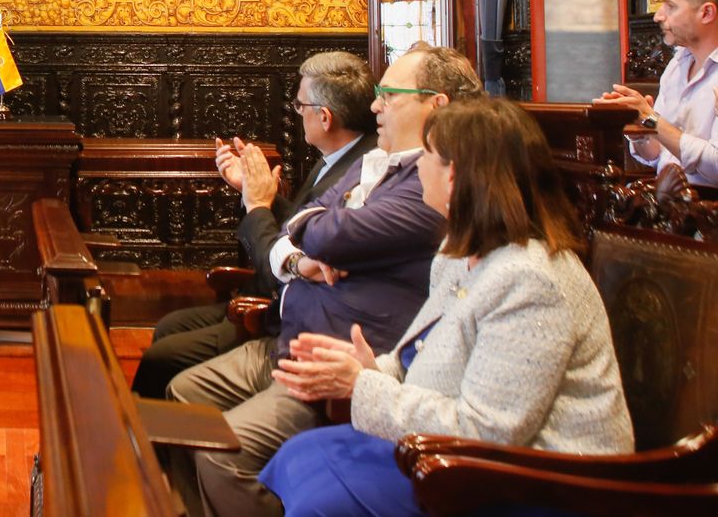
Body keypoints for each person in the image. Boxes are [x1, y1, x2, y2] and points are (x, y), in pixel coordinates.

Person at [259, 96, 633, 517]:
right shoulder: (459, 254)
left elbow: (489, 431)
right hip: (464, 458)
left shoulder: (531, 279)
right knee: (302, 454)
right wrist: (370, 369)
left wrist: (360, 385)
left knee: (321, 495)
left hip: (544, 482)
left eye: (428, 156)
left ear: (453, 176)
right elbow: (429, 359)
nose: (416, 166)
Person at [166, 43, 481, 517]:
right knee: (180, 397)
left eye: (390, 95)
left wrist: (292, 226)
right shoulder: (376, 162)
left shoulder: (430, 183)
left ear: (436, 104)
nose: (377, 105)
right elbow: (305, 224)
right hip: (296, 334)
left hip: (338, 354)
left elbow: (322, 230)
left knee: (218, 449)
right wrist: (302, 252)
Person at [131, 51, 377, 398]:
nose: (297, 113)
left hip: (283, 312)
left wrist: (259, 203)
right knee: (171, 326)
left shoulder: (358, 173)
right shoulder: (336, 158)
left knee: (162, 358)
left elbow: (290, 257)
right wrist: (252, 191)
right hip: (269, 295)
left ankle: (143, 442)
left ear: (324, 117)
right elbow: (298, 224)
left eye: (299, 106)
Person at [595, 0, 718, 188]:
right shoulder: (676, 65)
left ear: (707, 13)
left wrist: (650, 119)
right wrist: (637, 127)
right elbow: (656, 155)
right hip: (667, 203)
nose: (658, 16)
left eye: (670, 7)